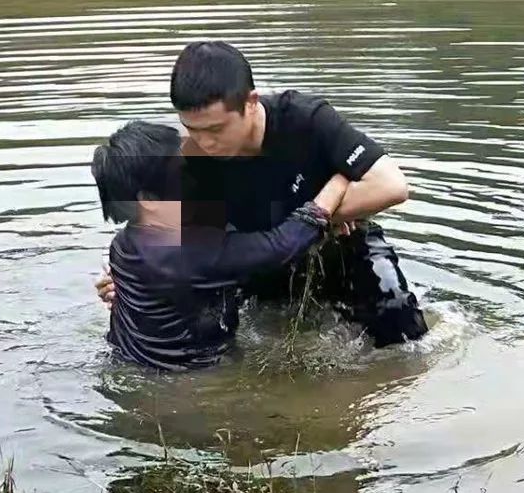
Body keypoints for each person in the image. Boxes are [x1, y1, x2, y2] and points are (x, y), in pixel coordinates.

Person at [170, 41, 427, 348]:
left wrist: (319, 220)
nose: (204, 143)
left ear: (251, 103)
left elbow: (392, 185)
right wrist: (128, 280)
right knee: (192, 329)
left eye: (216, 130)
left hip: (339, 250)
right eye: (192, 129)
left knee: (400, 323)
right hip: (258, 263)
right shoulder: (189, 157)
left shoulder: (305, 120)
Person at [91, 119, 350, 373]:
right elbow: (280, 247)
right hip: (189, 386)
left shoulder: (124, 243)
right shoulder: (193, 250)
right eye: (182, 171)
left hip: (129, 365)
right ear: (148, 200)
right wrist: (338, 183)